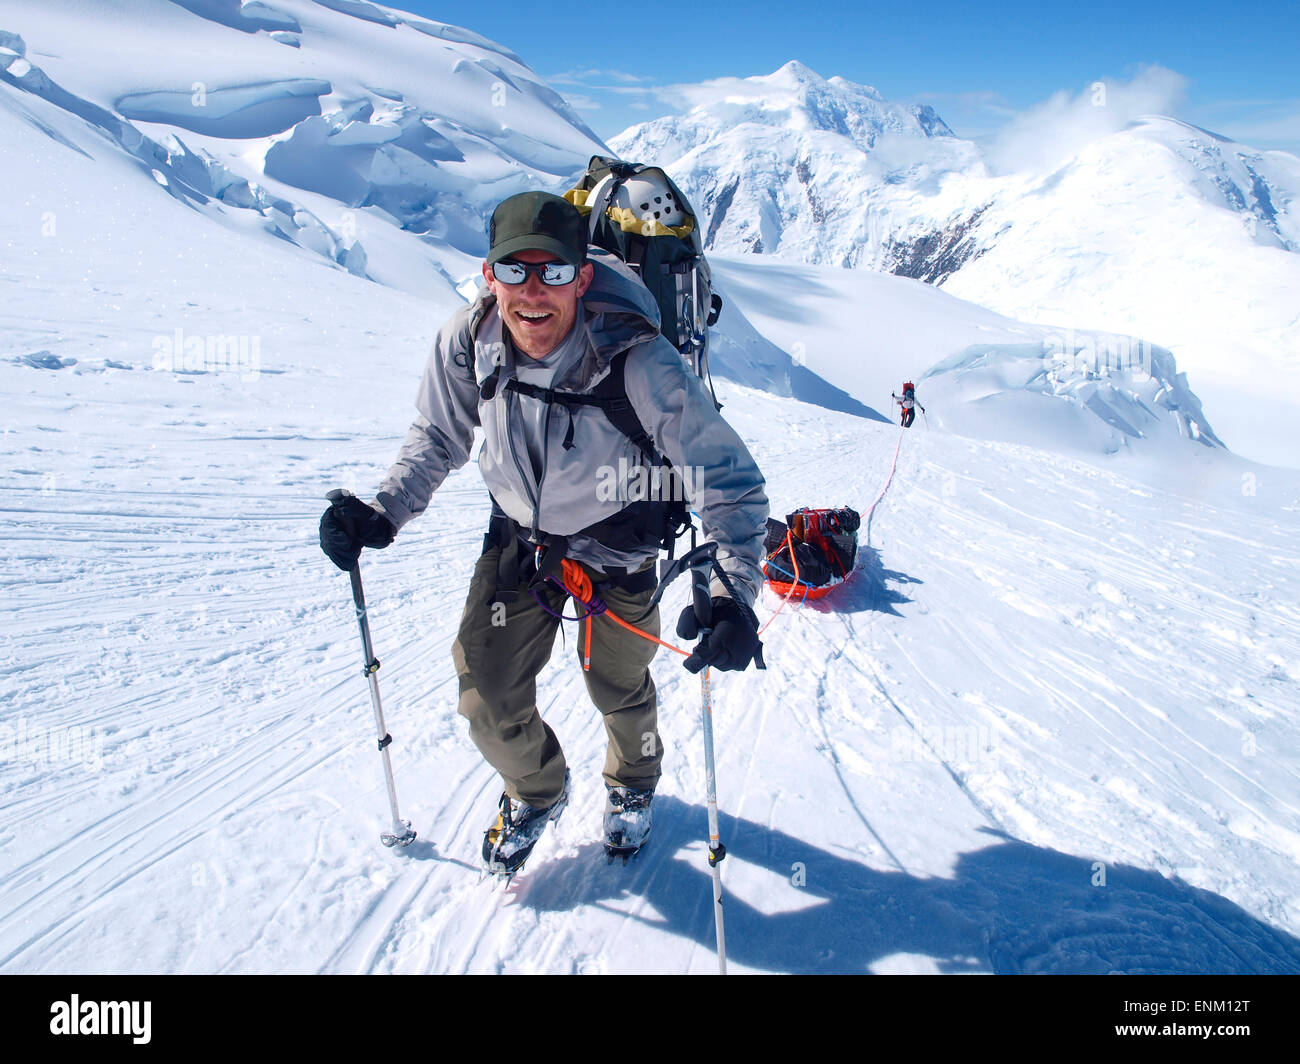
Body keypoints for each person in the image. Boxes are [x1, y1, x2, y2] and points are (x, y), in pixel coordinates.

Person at [320, 191, 769, 874]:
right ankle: (537, 790)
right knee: (485, 694)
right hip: (521, 542)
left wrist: (736, 593)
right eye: (514, 271)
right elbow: (440, 434)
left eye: (554, 272)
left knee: (616, 686)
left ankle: (633, 784)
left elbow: (728, 483)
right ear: (488, 273)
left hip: (620, 548)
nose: (533, 293)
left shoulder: (639, 363)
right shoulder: (469, 339)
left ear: (582, 275)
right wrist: (384, 509)